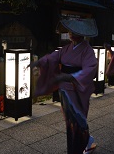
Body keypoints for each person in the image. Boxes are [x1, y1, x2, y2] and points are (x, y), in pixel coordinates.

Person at [28, 18, 98, 154]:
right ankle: (87, 141)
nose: (70, 34)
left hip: (78, 90)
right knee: (70, 120)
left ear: (81, 34)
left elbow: (90, 69)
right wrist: (39, 62)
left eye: (73, 31)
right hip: (65, 89)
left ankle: (78, 147)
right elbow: (53, 57)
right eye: (69, 31)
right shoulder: (66, 48)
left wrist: (70, 76)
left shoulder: (87, 50)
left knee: (78, 119)